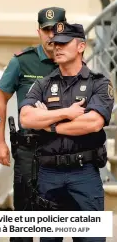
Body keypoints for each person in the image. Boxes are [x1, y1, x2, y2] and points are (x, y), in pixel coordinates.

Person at [20, 22, 112, 242]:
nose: (57, 47)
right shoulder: (43, 85)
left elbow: (92, 123)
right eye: (54, 43)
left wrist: (49, 124)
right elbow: (26, 118)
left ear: (81, 46)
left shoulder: (98, 83)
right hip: (49, 174)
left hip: (84, 174)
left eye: (63, 43)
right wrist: (67, 112)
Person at [0, 6, 66, 241]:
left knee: (53, 219)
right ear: (39, 32)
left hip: (60, 148)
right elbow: (1, 98)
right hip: (28, 148)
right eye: (46, 30)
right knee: (24, 218)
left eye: (56, 29)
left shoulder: (70, 60)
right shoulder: (22, 62)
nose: (51, 35)